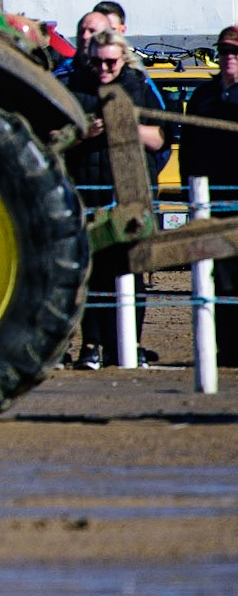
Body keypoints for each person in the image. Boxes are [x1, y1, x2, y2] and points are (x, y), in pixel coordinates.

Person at [63, 29, 165, 370]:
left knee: (131, 273)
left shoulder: (140, 88)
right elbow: (54, 138)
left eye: (110, 61)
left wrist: (123, 124)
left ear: (123, 58)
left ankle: (128, 344)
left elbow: (160, 139)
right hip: (89, 193)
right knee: (92, 275)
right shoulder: (75, 89)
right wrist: (84, 134)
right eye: (97, 62)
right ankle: (91, 345)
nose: (104, 68)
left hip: (131, 195)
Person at [175, 25, 238, 366]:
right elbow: (188, 151)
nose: (230, 59)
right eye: (225, 51)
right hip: (211, 203)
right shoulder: (203, 97)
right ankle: (225, 353)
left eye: (236, 53)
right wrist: (191, 196)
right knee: (218, 283)